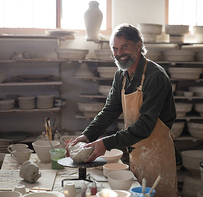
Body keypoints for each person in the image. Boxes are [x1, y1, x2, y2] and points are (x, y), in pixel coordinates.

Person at [71, 23, 178, 196]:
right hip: (136, 152)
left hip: (157, 155)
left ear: (138, 46)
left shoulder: (155, 76)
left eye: (124, 47)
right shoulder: (121, 74)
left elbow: (145, 125)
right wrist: (87, 135)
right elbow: (110, 110)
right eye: (115, 48)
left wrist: (106, 143)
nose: (119, 53)